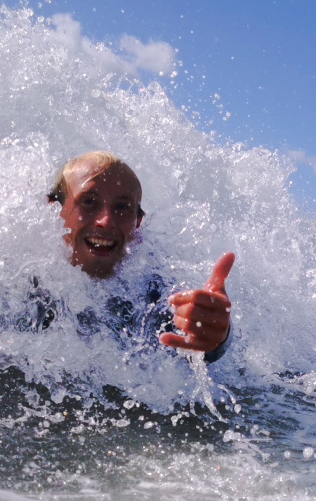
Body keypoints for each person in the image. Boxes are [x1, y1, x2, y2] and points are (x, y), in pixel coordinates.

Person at [46, 150, 233, 361]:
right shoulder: (19, 277)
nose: (106, 221)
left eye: (121, 207)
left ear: (137, 223)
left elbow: (190, 340)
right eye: (89, 202)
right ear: (54, 211)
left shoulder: (148, 288)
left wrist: (214, 334)